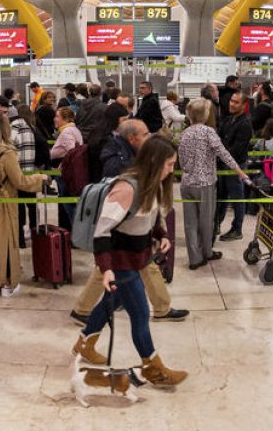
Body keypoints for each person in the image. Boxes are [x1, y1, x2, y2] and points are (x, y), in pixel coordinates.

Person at [70, 135, 188, 387]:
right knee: (141, 313)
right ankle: (153, 368)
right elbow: (102, 231)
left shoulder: (154, 183)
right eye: (169, 164)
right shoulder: (126, 188)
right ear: (155, 162)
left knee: (111, 303)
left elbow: (149, 217)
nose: (172, 169)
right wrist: (106, 268)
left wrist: (162, 235)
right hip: (120, 261)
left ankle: (84, 343)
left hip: (138, 258)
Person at [0, 109, 48, 297]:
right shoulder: (7, 153)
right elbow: (20, 181)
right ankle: (7, 283)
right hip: (3, 204)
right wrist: (41, 179)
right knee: (5, 244)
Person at [177, 99, 248, 270]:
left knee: (190, 223)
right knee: (206, 221)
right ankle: (207, 252)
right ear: (205, 114)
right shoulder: (208, 132)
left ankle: (194, 258)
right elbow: (223, 153)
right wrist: (239, 171)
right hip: (205, 183)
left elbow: (181, 159)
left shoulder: (185, 133)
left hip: (187, 183)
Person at [216, 91, 253, 242]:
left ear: (244, 105)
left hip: (236, 166)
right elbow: (218, 139)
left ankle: (237, 229)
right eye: (231, 100)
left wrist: (221, 153)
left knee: (237, 198)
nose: (232, 104)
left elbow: (236, 149)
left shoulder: (245, 124)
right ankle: (216, 224)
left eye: (236, 102)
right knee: (222, 196)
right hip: (224, 165)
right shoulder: (228, 120)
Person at [3, 98, 39, 247]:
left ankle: (20, 240)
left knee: (19, 208)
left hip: (19, 173)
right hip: (30, 172)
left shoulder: (15, 127)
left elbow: (8, 146)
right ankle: (35, 237)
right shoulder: (28, 127)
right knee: (31, 205)